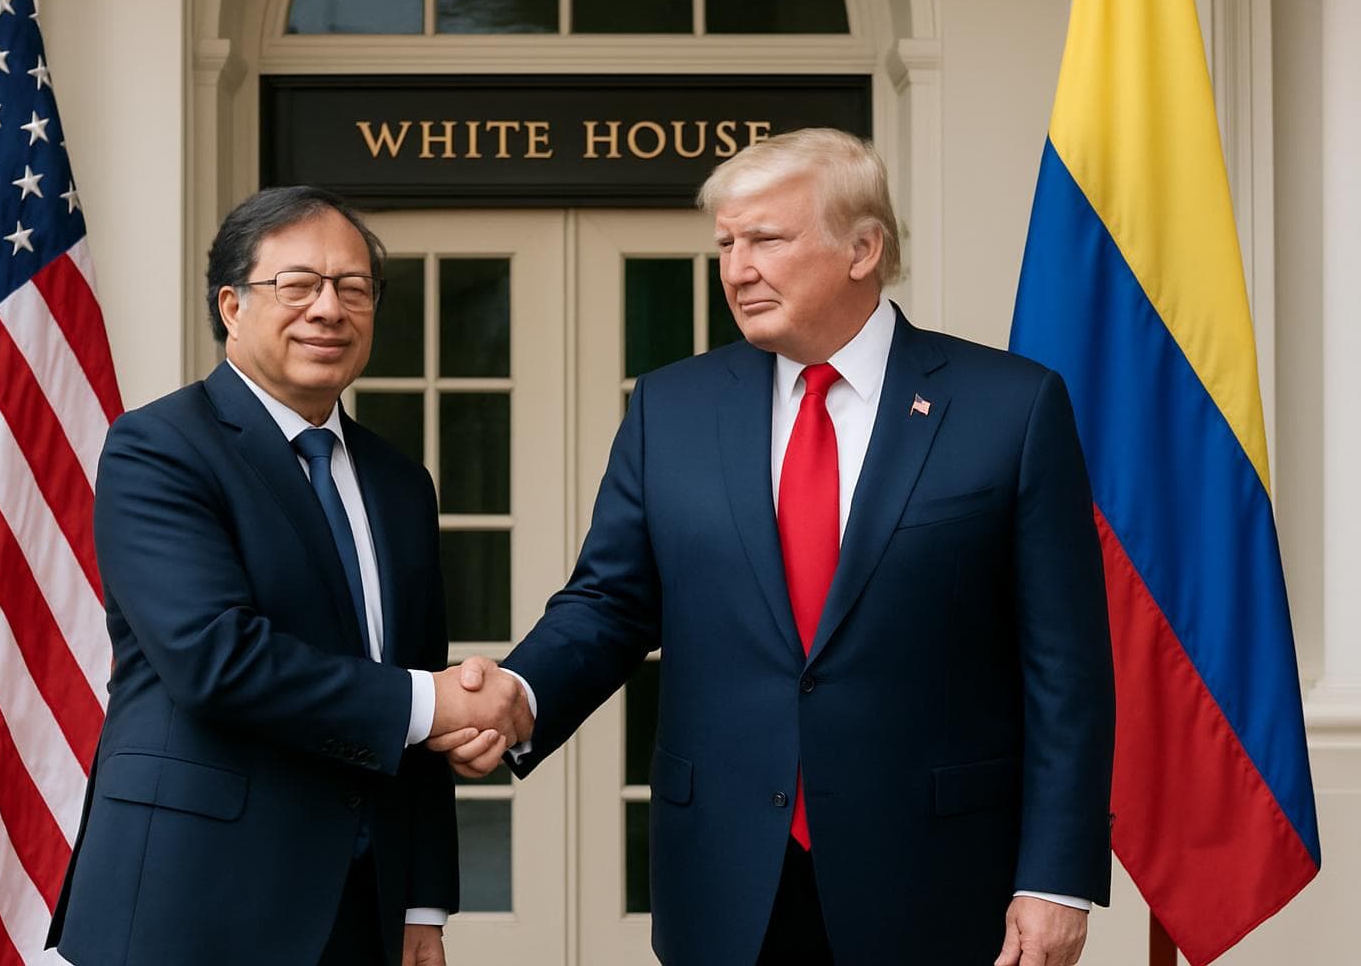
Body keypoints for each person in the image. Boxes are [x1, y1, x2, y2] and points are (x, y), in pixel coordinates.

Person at [434, 129, 1115, 965]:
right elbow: (610, 602)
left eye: (765, 239)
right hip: (726, 878)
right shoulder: (671, 407)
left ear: (863, 248)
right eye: (726, 243)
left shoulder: (1010, 407)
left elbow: (1065, 665)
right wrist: (521, 692)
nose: (736, 269)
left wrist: (1055, 878)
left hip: (937, 877)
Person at [47, 186, 530, 966]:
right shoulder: (159, 448)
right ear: (232, 307)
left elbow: (414, 679)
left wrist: (422, 901)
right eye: (298, 285)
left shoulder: (400, 483)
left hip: (362, 907)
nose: (329, 309)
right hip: (194, 902)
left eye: (354, 288)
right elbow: (216, 659)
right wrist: (432, 701)